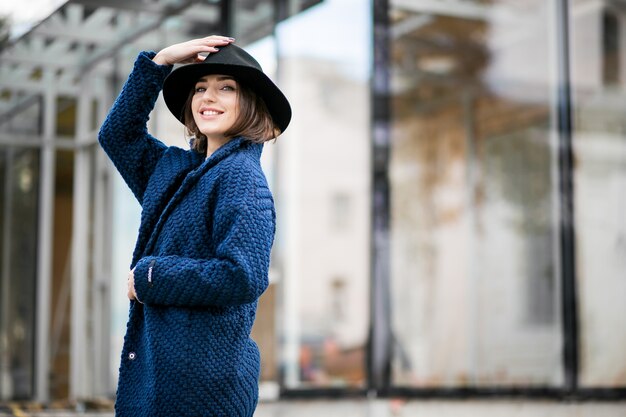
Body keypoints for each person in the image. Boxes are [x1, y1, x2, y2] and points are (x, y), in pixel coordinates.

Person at [98, 35, 291, 417]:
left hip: (203, 389)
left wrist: (151, 276)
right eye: (200, 88)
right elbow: (117, 135)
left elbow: (242, 276)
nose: (208, 97)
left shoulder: (242, 178)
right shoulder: (175, 170)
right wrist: (161, 62)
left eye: (226, 88)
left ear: (250, 102)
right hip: (163, 378)